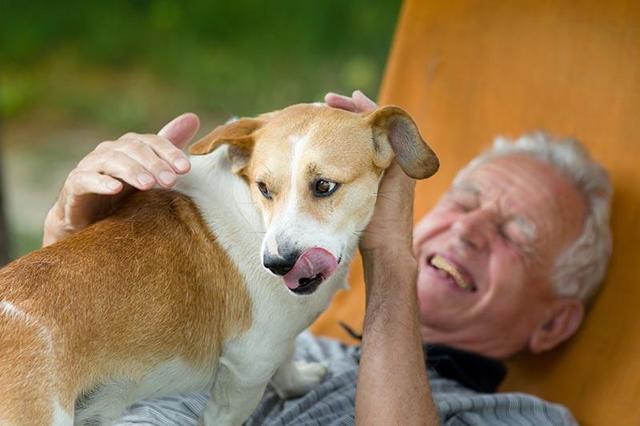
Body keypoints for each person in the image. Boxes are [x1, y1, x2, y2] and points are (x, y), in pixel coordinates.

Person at [43, 91, 612, 425]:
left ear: (554, 321)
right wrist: (70, 238)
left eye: (515, 233)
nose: (467, 230)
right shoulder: (289, 334)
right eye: (465, 201)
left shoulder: (523, 417)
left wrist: (391, 259)